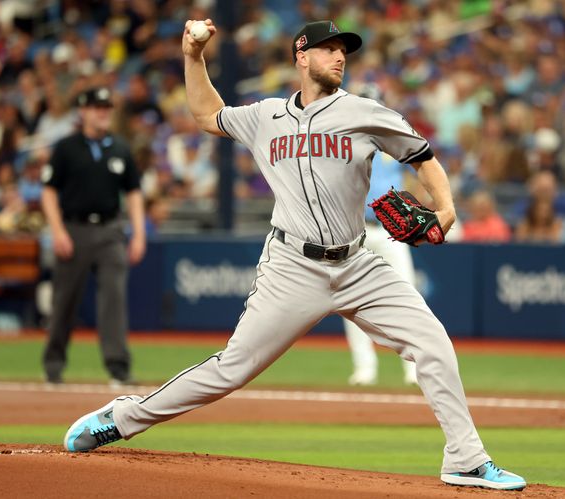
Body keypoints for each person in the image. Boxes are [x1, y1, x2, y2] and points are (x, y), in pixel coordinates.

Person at [62, 20, 526, 491]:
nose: (340, 57)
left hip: (357, 263)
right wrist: (193, 57)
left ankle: (466, 459)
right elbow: (207, 115)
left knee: (432, 343)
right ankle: (121, 418)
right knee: (232, 369)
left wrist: (445, 207)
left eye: (344, 50)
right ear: (301, 57)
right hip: (292, 266)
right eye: (328, 49)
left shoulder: (366, 112)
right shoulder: (266, 116)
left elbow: (422, 157)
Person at [41, 86, 146, 386]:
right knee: (65, 301)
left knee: (113, 299)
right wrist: (57, 230)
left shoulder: (120, 148)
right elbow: (48, 191)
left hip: (111, 230)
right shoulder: (66, 147)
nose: (103, 113)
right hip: (73, 230)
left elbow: (134, 193)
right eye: (97, 107)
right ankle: (53, 366)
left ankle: (118, 369)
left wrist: (139, 233)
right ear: (83, 111)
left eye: (107, 107)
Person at [343, 149, 418, 386]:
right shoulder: (351, 142)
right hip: (356, 227)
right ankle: (364, 368)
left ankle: (414, 369)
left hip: (390, 228)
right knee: (351, 300)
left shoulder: (392, 141)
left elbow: (422, 169)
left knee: (407, 298)